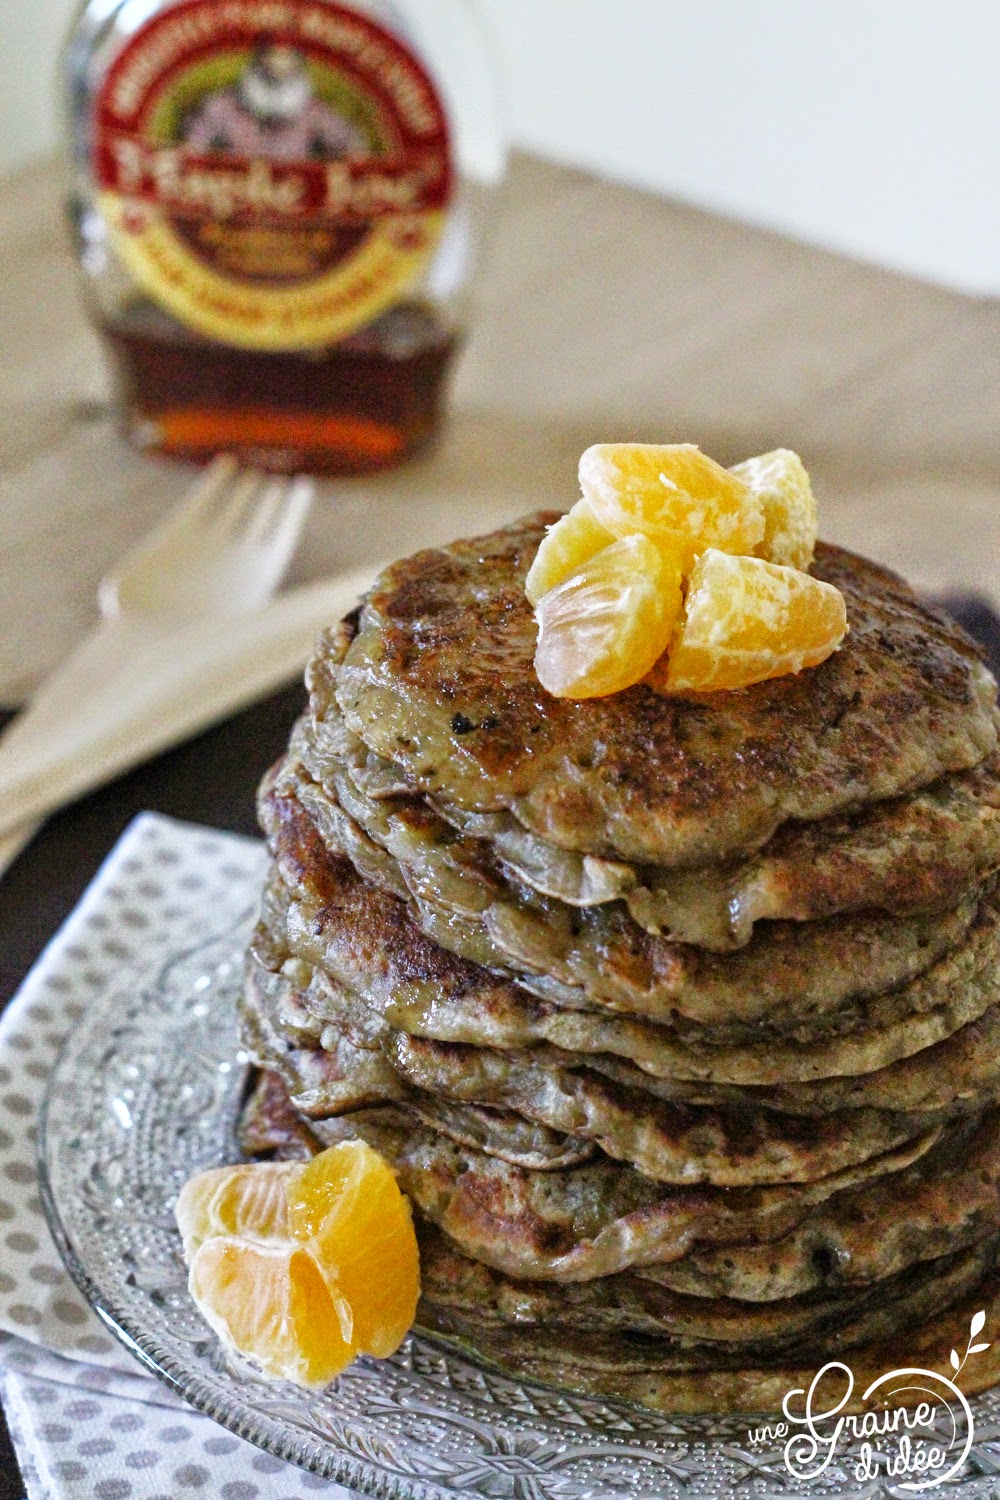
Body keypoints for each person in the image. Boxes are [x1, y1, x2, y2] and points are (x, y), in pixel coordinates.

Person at [183, 45, 367, 161]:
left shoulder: (313, 111)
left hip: (294, 214)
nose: (279, 64)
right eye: (272, 56)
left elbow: (352, 145)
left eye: (287, 58)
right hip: (232, 211)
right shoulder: (226, 104)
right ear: (259, 62)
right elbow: (191, 146)